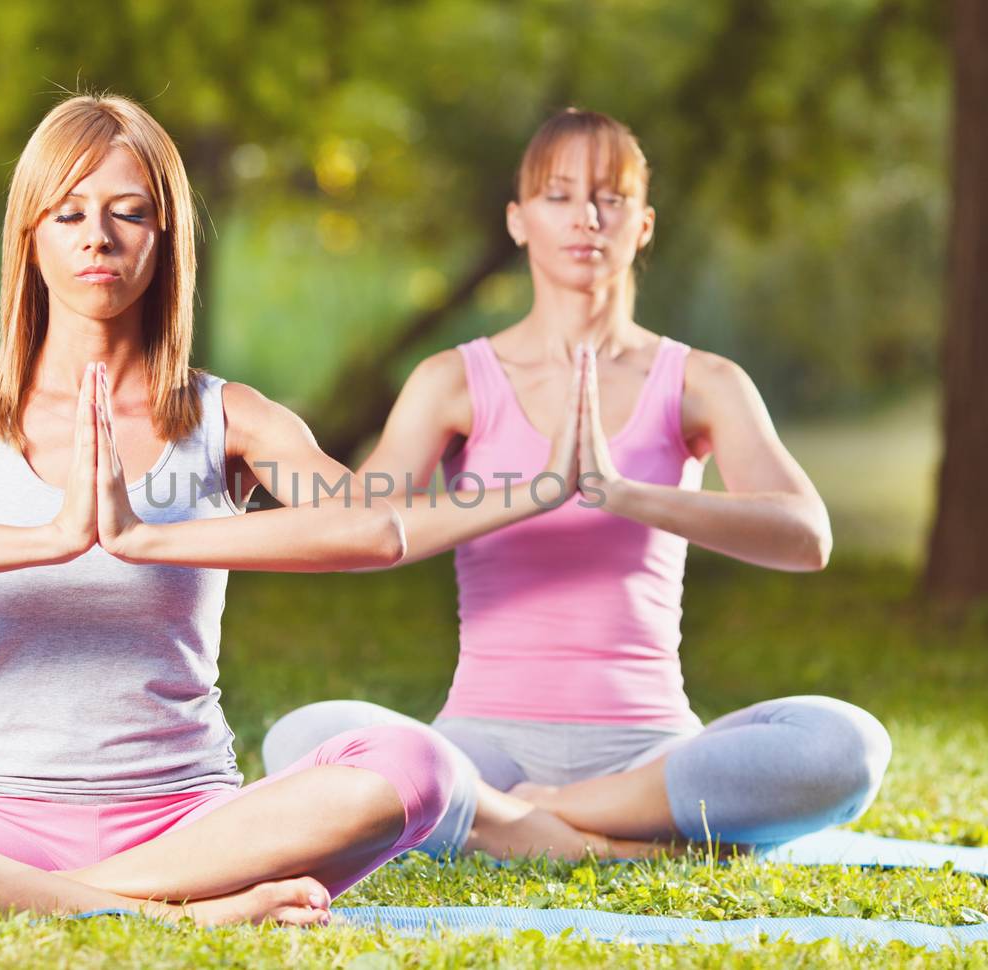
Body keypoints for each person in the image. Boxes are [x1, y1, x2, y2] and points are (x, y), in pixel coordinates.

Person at [0, 94, 454, 926]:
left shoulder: (228, 418)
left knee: (415, 763)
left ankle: (78, 903)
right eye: (67, 212)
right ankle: (173, 914)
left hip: (193, 823)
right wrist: (48, 537)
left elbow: (374, 527)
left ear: (165, 236)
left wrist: (144, 537)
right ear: (30, 239)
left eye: (129, 213)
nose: (97, 237)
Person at [262, 108, 890, 861]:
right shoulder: (452, 381)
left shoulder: (702, 382)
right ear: (518, 220)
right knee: (300, 739)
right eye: (558, 196)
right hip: (482, 748)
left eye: (611, 197)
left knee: (847, 747)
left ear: (644, 224)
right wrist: (533, 490)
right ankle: (614, 847)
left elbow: (806, 537)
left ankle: (529, 824)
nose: (587, 217)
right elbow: (357, 532)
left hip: (650, 757)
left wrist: (619, 492)